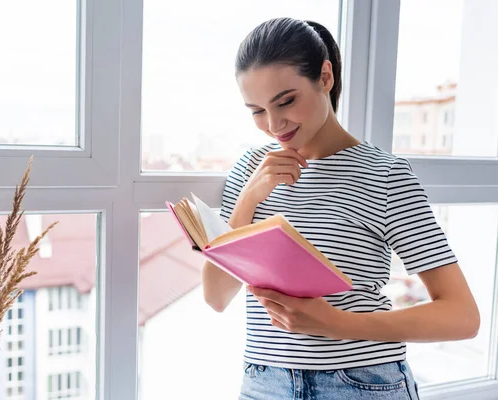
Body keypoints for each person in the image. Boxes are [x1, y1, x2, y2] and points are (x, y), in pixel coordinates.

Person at [201, 17, 480, 400]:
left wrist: (339, 323)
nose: (274, 124)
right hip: (264, 383)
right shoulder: (251, 169)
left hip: (362, 384)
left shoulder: (385, 175)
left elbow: (462, 316)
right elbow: (216, 297)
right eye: (257, 110)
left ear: (326, 77)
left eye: (286, 101)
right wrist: (249, 199)